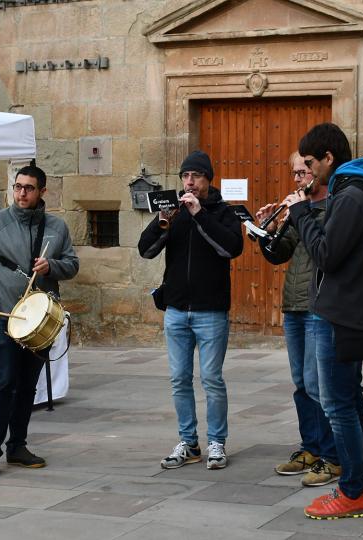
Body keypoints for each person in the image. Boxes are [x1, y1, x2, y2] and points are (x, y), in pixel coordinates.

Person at [283, 122, 363, 519]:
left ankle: (352, 491)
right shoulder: (353, 192)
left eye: (310, 162)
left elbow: (327, 255)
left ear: (329, 158)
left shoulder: (352, 196)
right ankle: (357, 487)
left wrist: (301, 213)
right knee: (349, 402)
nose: (308, 170)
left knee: (339, 406)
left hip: (339, 315)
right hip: (345, 311)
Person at [0, 164, 79, 481]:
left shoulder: (57, 227)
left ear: (42, 192)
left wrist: (51, 266)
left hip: (39, 320)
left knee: (28, 385)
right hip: (4, 316)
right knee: (3, 383)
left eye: (29, 188)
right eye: (18, 187)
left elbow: (72, 265)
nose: (21, 193)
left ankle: (17, 446)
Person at [138, 150, 243, 470]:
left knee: (211, 378)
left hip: (211, 311)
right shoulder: (176, 213)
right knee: (179, 378)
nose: (189, 181)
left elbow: (231, 248)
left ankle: (216, 442)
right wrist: (161, 223)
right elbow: (146, 250)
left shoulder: (223, 212)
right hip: (176, 310)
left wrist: (200, 215)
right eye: (185, 176)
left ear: (208, 180)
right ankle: (188, 441)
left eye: (196, 176)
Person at [256, 153, 339, 487]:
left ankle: (332, 457)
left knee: (320, 385)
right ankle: (311, 448)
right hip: (295, 304)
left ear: (318, 170)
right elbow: (280, 254)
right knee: (302, 384)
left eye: (303, 172)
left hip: (320, 305)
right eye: (294, 174)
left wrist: (300, 213)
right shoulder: (296, 210)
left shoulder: (333, 206)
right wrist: (268, 230)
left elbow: (327, 248)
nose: (298, 179)